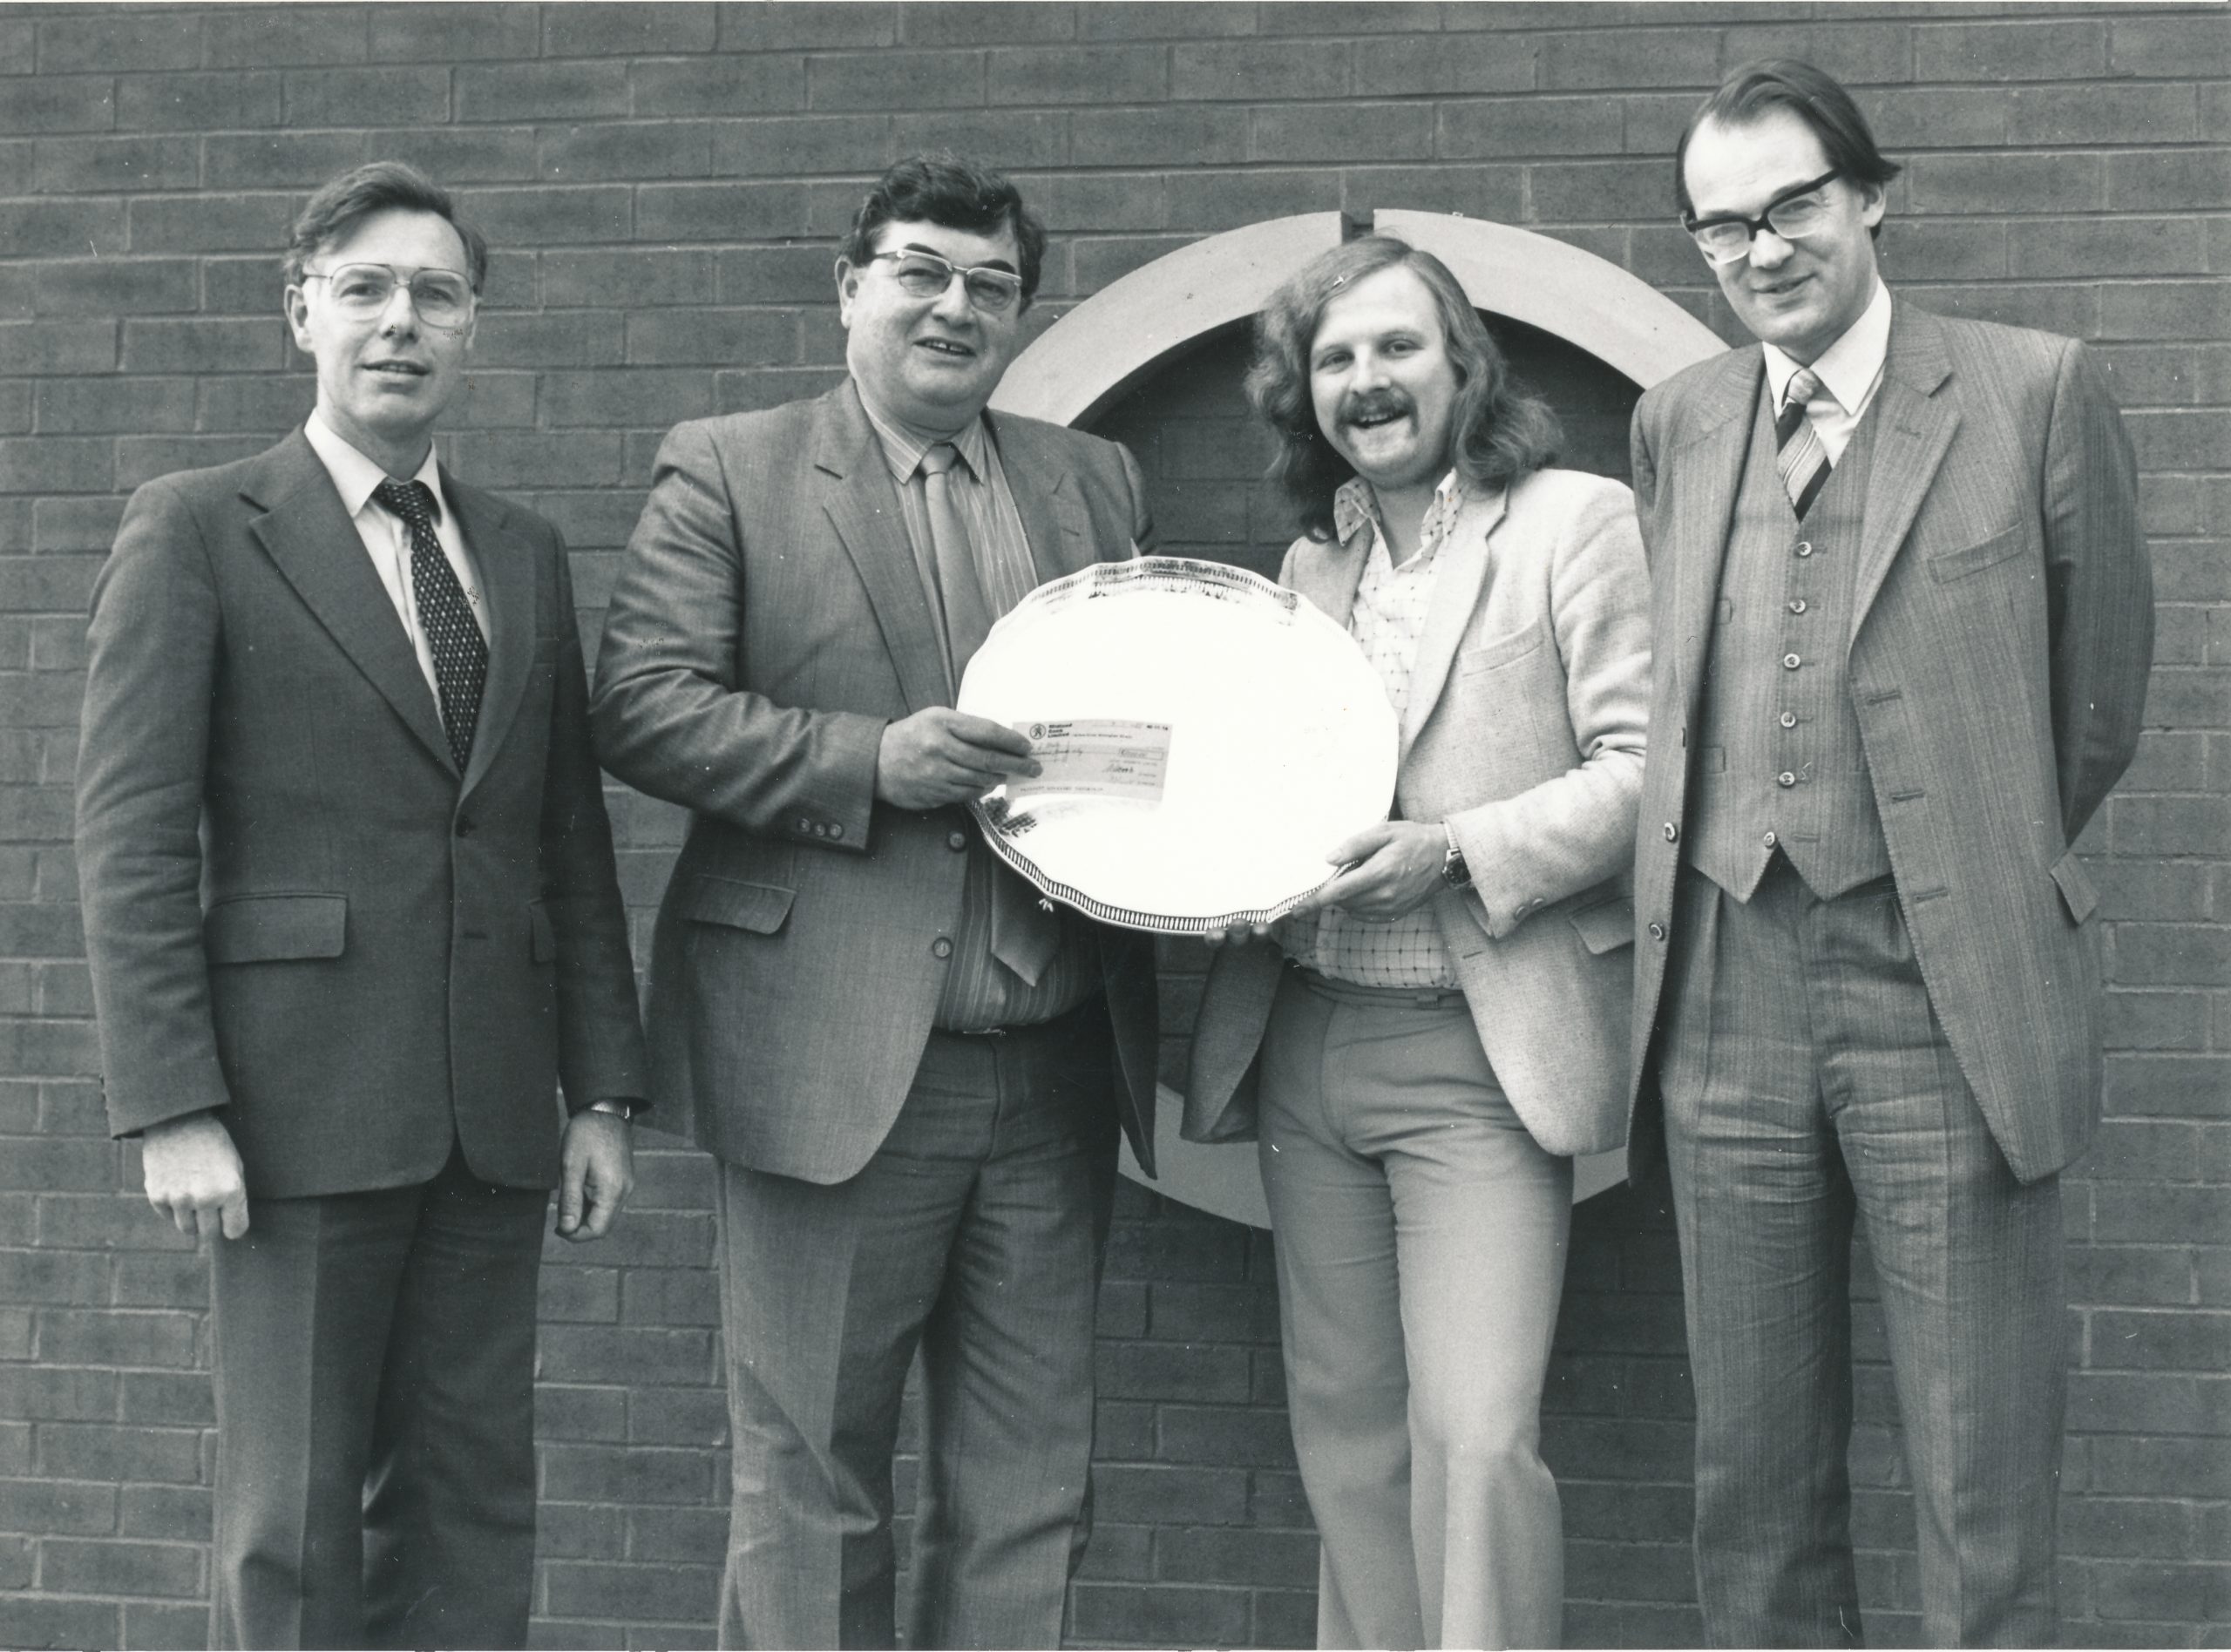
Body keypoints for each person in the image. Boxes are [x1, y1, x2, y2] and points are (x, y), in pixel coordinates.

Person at [74, 161, 648, 1649]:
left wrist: (604, 1091)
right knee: (299, 1525)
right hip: (291, 1114)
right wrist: (173, 1105)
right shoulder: (198, 527)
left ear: (473, 329)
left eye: (438, 294)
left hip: (494, 1110)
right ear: (303, 313)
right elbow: (129, 838)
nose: (404, 321)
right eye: (368, 289)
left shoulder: (518, 550)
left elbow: (564, 839)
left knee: (471, 1509)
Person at [590, 153, 1159, 1650]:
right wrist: (867, 760)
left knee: (1031, 1489)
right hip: (830, 1060)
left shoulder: (1089, 480)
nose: (954, 307)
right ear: (850, 288)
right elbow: (642, 707)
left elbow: (1137, 731)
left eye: (990, 284)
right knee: (811, 1481)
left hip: (1050, 1064)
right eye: (920, 271)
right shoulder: (732, 465)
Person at [1628, 60, 2153, 1647]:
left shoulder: (2031, 388)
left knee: (1981, 1489)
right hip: (1725, 993)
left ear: (1871, 196)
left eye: (1791, 205)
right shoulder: (1677, 419)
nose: (1762, 248)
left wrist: (1951, 858)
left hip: (1950, 988)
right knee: (1755, 1486)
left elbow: (2096, 705)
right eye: (1722, 228)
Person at [1184, 235, 1650, 1649]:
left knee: (1477, 1435)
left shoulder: (1575, 521)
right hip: (1307, 1046)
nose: (1366, 380)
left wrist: (1456, 850)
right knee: (1349, 1437)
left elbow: (1646, 773)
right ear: (1301, 395)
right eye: (1334, 359)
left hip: (1479, 1054)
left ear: (1463, 364)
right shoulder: (1306, 570)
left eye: (1396, 348)